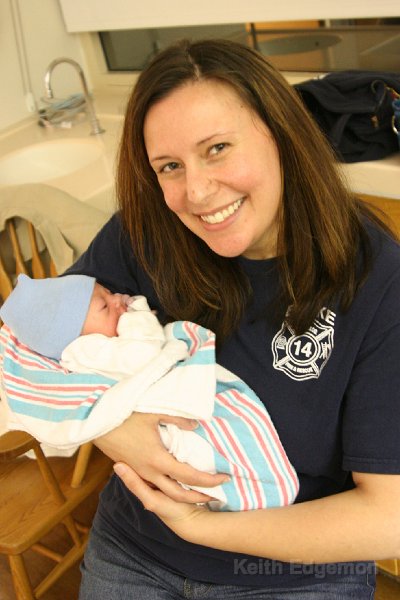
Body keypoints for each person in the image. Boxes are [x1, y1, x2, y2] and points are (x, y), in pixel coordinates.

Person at [8, 37, 400, 597]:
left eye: (217, 148)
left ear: (281, 134)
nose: (196, 192)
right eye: (169, 166)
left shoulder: (379, 281)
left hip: (290, 572)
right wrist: (111, 425)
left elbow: (388, 516)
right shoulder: (143, 236)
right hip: (136, 547)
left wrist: (201, 526)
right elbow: (22, 338)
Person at [0, 273, 299, 512]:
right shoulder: (86, 350)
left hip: (158, 408)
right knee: (211, 446)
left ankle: (256, 491)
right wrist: (138, 316)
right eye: (104, 305)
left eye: (108, 292)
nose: (118, 299)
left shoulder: (93, 338)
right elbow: (145, 356)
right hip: (161, 417)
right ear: (73, 334)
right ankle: (255, 493)